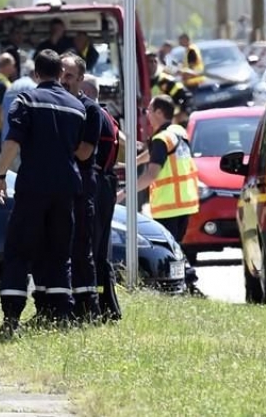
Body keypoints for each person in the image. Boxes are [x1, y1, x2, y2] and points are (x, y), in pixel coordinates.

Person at [0, 50, 86, 344]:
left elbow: (12, 141)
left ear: (35, 75)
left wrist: (0, 175)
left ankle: (12, 319)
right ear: (59, 74)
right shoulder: (76, 106)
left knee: (18, 252)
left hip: (33, 187)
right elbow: (78, 148)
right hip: (66, 187)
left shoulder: (26, 100)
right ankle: (59, 316)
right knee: (58, 254)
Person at [53, 53, 101, 320]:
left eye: (69, 76)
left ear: (81, 80)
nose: (63, 80)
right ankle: (62, 307)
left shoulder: (89, 110)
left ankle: (89, 308)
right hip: (60, 188)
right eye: (60, 74)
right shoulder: (56, 107)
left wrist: (55, 147)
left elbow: (84, 153)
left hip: (81, 188)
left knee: (81, 249)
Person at [117, 95, 199, 243]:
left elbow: (151, 175)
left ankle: (185, 268)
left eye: (148, 110)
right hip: (185, 202)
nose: (146, 114)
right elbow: (155, 153)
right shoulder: (178, 132)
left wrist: (124, 193)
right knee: (176, 248)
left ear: (159, 113)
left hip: (168, 205)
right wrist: (134, 163)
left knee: (168, 250)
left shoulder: (161, 139)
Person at [81, 75, 121, 321]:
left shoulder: (92, 114)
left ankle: (95, 307)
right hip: (106, 183)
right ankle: (108, 307)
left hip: (97, 185)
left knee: (92, 249)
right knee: (100, 251)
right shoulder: (109, 117)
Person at [147, 52, 193, 125]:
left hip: (167, 124)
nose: (153, 64)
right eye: (149, 61)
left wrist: (184, 112)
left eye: (155, 61)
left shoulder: (166, 81)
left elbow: (187, 96)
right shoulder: (138, 82)